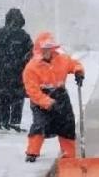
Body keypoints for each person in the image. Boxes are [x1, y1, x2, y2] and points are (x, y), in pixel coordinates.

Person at [22, 32, 85, 162]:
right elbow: (33, 91)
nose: (47, 51)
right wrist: (48, 103)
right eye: (44, 48)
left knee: (67, 126)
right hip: (41, 100)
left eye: (49, 48)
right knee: (40, 125)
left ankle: (68, 155)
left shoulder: (62, 59)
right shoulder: (31, 68)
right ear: (39, 49)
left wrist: (79, 71)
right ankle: (32, 152)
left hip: (61, 95)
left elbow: (74, 64)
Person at [0, 8, 33, 132]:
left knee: (3, 98)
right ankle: (15, 123)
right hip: (18, 73)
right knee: (17, 98)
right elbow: (31, 54)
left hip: (2, 73)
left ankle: (3, 123)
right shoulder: (24, 36)